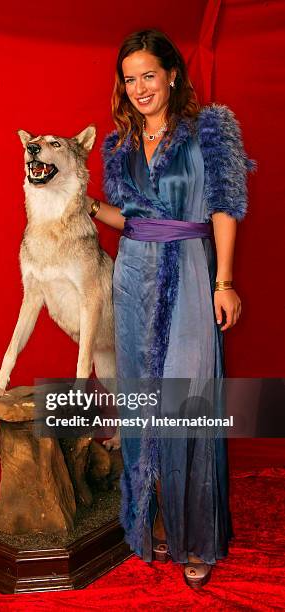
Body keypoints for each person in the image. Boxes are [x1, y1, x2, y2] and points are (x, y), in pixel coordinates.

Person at [86, 29, 254, 588]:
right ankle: (147, 522)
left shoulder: (209, 131)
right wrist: (83, 208)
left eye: (148, 76)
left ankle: (196, 538)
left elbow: (225, 206)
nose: (138, 88)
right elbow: (128, 219)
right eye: (129, 79)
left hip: (189, 267)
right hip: (132, 274)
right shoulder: (119, 145)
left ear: (172, 75)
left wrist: (224, 281)